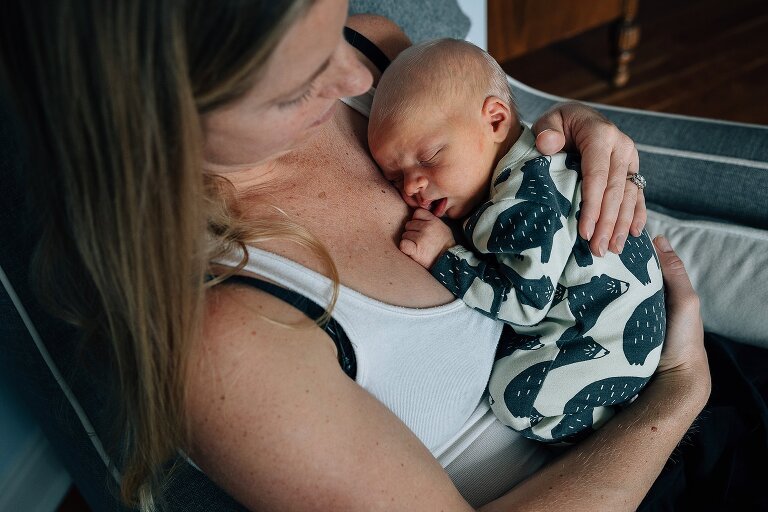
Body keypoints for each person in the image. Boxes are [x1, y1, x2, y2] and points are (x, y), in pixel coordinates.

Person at [0, 0, 710, 510]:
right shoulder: (226, 341)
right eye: (302, 82)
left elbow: (492, 124)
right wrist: (677, 399)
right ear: (161, 114)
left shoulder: (369, 49)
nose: (354, 76)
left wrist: (570, 132)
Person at [368, 39, 665, 443]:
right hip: (633, 332)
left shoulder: (518, 202)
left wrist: (444, 255)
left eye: (430, 156)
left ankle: (601, 431)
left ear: (494, 120)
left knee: (513, 401)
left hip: (602, 346)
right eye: (394, 177)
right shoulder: (535, 160)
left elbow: (525, 304)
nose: (412, 185)